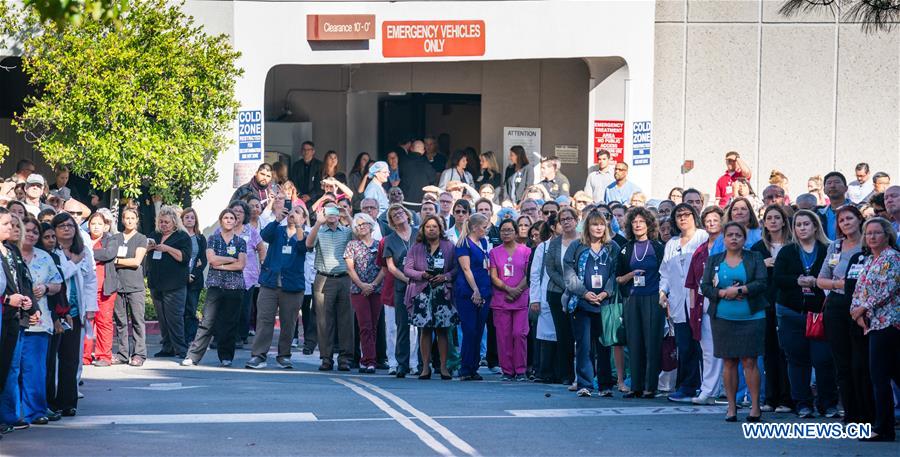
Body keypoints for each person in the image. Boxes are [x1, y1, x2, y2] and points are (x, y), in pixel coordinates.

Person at [700, 222, 768, 422]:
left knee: (750, 361)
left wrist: (739, 290)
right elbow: (704, 287)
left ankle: (755, 407)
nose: (734, 238)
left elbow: (762, 283)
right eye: (730, 235)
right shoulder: (714, 260)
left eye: (738, 235)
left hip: (752, 317)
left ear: (744, 239)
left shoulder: (754, 257)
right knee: (729, 362)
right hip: (723, 318)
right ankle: (731, 407)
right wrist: (721, 292)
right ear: (724, 238)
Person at [773, 209, 838, 419]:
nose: (802, 228)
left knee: (823, 360)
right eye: (798, 225)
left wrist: (815, 282)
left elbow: (834, 277)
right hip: (791, 313)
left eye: (806, 224)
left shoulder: (827, 249)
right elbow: (778, 280)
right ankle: (802, 404)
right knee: (796, 360)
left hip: (820, 313)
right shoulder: (787, 251)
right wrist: (797, 280)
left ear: (815, 226)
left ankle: (828, 403)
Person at [816, 205, 874, 426]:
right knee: (842, 363)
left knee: (861, 362)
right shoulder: (835, 247)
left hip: (863, 307)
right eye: (841, 221)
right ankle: (850, 414)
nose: (846, 223)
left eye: (850, 218)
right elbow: (821, 279)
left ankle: (868, 413)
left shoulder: (869, 244)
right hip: (837, 306)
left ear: (859, 219)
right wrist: (841, 284)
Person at [1, 215, 60, 427]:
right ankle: (11, 414)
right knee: (8, 368)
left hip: (28, 319)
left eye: (36, 232)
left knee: (25, 368)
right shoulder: (7, 252)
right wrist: (9, 299)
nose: (15, 230)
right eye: (10, 225)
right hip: (8, 314)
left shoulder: (24, 254)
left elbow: (30, 283)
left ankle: (26, 412)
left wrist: (35, 302)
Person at [850, 218, 900, 442]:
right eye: (868, 233)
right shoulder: (870, 259)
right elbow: (858, 289)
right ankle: (885, 425)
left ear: (887, 235)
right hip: (871, 323)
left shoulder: (893, 258)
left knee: (879, 376)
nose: (872, 237)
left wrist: (863, 308)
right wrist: (856, 312)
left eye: (877, 233)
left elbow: (889, 288)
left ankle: (884, 428)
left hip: (889, 323)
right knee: (892, 374)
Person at [246, 199, 308, 370]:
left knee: (289, 322)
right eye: (291, 211)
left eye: (297, 212)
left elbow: (303, 248)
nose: (292, 214)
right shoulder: (277, 230)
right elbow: (264, 235)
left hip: (293, 285)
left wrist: (299, 227)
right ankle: (258, 356)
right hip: (270, 282)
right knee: (264, 320)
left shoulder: (305, 234)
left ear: (303, 219)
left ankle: (284, 356)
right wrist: (276, 219)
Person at [563, 209, 618, 397]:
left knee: (604, 346)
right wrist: (584, 293)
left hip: (604, 304)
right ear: (587, 226)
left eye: (602, 224)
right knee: (584, 346)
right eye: (595, 224)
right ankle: (585, 384)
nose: (599, 228)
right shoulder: (577, 246)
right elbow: (568, 271)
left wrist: (605, 292)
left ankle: (605, 386)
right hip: (581, 302)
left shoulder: (613, 247)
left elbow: (615, 273)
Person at [182, 209, 246, 367]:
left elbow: (241, 264)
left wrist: (221, 264)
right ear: (221, 220)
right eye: (226, 217)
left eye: (232, 218)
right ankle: (193, 356)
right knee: (207, 321)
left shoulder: (240, 242)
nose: (229, 220)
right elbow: (211, 260)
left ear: (236, 221)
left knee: (229, 323)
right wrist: (231, 259)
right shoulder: (213, 239)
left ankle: (226, 357)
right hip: (215, 285)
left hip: (234, 287)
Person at [48, 211, 97, 417]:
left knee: (71, 358)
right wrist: (73, 263)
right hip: (57, 311)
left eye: (70, 225)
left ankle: (68, 402)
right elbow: (59, 277)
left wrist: (90, 308)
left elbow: (90, 280)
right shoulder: (51, 251)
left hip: (76, 311)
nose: (67, 229)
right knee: (53, 359)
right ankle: (52, 401)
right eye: (62, 226)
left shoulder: (83, 250)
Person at [659, 204, 708, 402]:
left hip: (700, 299)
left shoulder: (703, 237)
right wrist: (663, 292)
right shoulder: (671, 243)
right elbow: (665, 272)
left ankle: (706, 387)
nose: (683, 218)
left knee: (703, 346)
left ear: (695, 217)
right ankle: (687, 386)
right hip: (679, 301)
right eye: (678, 215)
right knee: (684, 345)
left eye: (687, 214)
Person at [616, 206, 665, 398]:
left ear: (648, 224)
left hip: (653, 297)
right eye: (634, 222)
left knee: (652, 342)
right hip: (632, 298)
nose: (637, 225)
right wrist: (631, 274)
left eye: (641, 222)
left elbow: (666, 274)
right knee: (634, 341)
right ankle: (635, 385)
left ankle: (650, 386)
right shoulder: (625, 248)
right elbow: (618, 278)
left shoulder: (658, 247)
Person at [750, 204, 794, 413]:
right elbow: (749, 274)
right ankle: (770, 398)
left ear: (784, 221)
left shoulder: (793, 246)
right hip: (765, 305)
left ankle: (787, 399)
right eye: (769, 218)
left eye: (777, 217)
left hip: (788, 303)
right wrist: (762, 264)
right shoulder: (758, 248)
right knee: (768, 352)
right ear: (764, 222)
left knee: (786, 351)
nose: (773, 221)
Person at [403, 216, 458, 380]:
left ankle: (443, 367)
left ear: (440, 229)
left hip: (443, 293)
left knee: (442, 331)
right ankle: (425, 367)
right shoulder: (416, 247)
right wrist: (422, 274)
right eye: (428, 227)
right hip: (422, 292)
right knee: (424, 331)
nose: (431, 229)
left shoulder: (449, 247)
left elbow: (456, 268)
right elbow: (407, 269)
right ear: (423, 229)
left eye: (435, 226)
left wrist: (446, 277)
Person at [306, 201, 354, 371]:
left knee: (346, 319)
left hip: (344, 277)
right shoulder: (319, 230)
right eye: (329, 210)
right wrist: (318, 222)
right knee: (324, 320)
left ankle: (345, 358)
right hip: (323, 277)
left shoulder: (347, 231)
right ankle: (326, 357)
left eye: (335, 210)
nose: (332, 214)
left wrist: (346, 214)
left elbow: (359, 236)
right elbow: (309, 244)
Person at [488, 219, 531, 382]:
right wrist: (508, 289)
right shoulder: (494, 252)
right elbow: (493, 276)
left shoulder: (526, 251)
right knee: (503, 336)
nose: (506, 233)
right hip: (501, 299)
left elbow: (529, 275)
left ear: (516, 231)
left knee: (519, 334)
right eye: (503, 230)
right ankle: (507, 370)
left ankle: (520, 370)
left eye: (509, 230)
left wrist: (517, 290)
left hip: (520, 300)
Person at [146, 206, 191, 359]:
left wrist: (167, 248)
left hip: (175, 284)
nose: (163, 225)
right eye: (161, 222)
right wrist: (148, 248)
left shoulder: (182, 236)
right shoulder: (155, 235)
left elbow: (184, 257)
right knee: (163, 319)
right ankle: (167, 347)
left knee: (175, 318)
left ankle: (181, 349)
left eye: (166, 222)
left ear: (174, 222)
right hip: (156, 283)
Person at [343, 213, 384, 373]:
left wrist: (373, 285)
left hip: (376, 289)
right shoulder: (352, 245)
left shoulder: (380, 244)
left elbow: (384, 267)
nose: (361, 227)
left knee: (374, 325)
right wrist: (362, 285)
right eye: (358, 225)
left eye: (364, 224)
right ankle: (368, 360)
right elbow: (350, 268)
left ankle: (370, 358)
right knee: (364, 325)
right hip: (358, 290)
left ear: (370, 225)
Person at [455, 213, 493, 381]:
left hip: (485, 288)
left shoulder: (484, 242)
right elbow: (466, 269)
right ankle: (465, 367)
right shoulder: (464, 244)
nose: (486, 231)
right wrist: (475, 290)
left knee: (479, 330)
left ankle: (474, 366)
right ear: (476, 227)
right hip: (468, 290)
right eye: (484, 227)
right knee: (469, 329)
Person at [544, 207, 579, 385]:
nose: (566, 222)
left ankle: (583, 374)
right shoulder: (555, 243)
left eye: (569, 218)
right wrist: (567, 284)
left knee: (579, 335)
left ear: (576, 220)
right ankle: (566, 374)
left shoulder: (583, 240)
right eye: (562, 219)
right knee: (563, 335)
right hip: (557, 293)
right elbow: (550, 268)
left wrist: (576, 286)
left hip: (581, 293)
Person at [383, 204, 419, 377]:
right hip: (401, 287)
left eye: (400, 212)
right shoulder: (389, 239)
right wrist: (408, 279)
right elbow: (390, 267)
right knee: (402, 326)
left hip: (422, 285)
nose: (398, 215)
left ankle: (421, 363)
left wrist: (418, 278)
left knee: (422, 326)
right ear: (391, 221)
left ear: (407, 214)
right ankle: (402, 364)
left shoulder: (419, 233)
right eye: (394, 214)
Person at [112, 208, 148, 367]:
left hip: (135, 286)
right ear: (122, 220)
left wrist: (116, 261)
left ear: (137, 220)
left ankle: (139, 354)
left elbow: (136, 261)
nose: (129, 221)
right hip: (118, 285)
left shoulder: (141, 238)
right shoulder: (115, 238)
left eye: (132, 218)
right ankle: (122, 354)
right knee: (120, 322)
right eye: (127, 218)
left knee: (137, 321)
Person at [83, 210, 119, 367]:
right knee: (86, 323)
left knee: (104, 322)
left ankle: (104, 356)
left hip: (105, 288)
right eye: (93, 224)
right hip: (86, 288)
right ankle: (84, 356)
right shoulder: (83, 239)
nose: (96, 227)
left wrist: (88, 253)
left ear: (106, 226)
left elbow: (108, 254)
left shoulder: (111, 239)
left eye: (100, 224)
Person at [228, 200, 265, 348]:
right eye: (234, 210)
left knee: (244, 308)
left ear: (245, 215)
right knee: (229, 307)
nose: (237, 213)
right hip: (227, 274)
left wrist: (263, 262)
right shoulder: (223, 230)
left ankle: (240, 336)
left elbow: (261, 249)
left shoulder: (251, 231)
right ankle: (227, 336)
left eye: (240, 211)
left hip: (247, 275)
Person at [181, 208, 207, 345]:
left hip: (194, 280)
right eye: (187, 217)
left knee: (191, 309)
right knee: (179, 310)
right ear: (182, 220)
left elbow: (203, 260)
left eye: (192, 217)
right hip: (178, 280)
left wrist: (192, 275)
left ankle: (190, 338)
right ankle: (178, 338)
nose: (190, 220)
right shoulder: (177, 236)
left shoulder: (200, 238)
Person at [817, 172, 849, 240]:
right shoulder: (819, 214)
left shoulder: (858, 210)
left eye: (837, 182)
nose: (832, 186)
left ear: (846, 188)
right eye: (829, 183)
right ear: (824, 190)